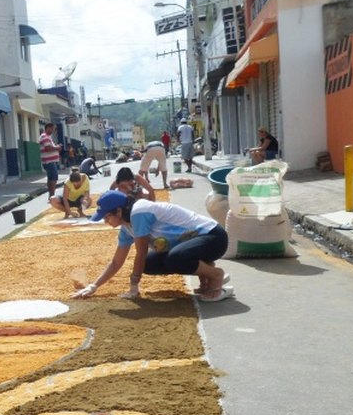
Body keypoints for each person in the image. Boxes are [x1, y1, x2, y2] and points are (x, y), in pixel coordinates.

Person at [71, 190, 232, 302]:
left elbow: (140, 252)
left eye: (106, 217)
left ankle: (216, 275)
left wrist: (133, 286)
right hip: (196, 242)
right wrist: (94, 286)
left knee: (174, 258)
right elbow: (116, 262)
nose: (106, 222)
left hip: (213, 237)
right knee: (149, 263)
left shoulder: (139, 213)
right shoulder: (127, 227)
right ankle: (206, 274)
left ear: (119, 211)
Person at [39, 123, 63, 200]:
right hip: (49, 161)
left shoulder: (48, 137)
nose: (53, 131)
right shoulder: (44, 136)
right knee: (54, 178)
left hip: (50, 161)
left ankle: (51, 196)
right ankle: (52, 195)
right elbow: (49, 148)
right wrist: (57, 147)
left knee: (51, 178)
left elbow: (50, 147)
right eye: (52, 129)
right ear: (48, 128)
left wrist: (56, 147)